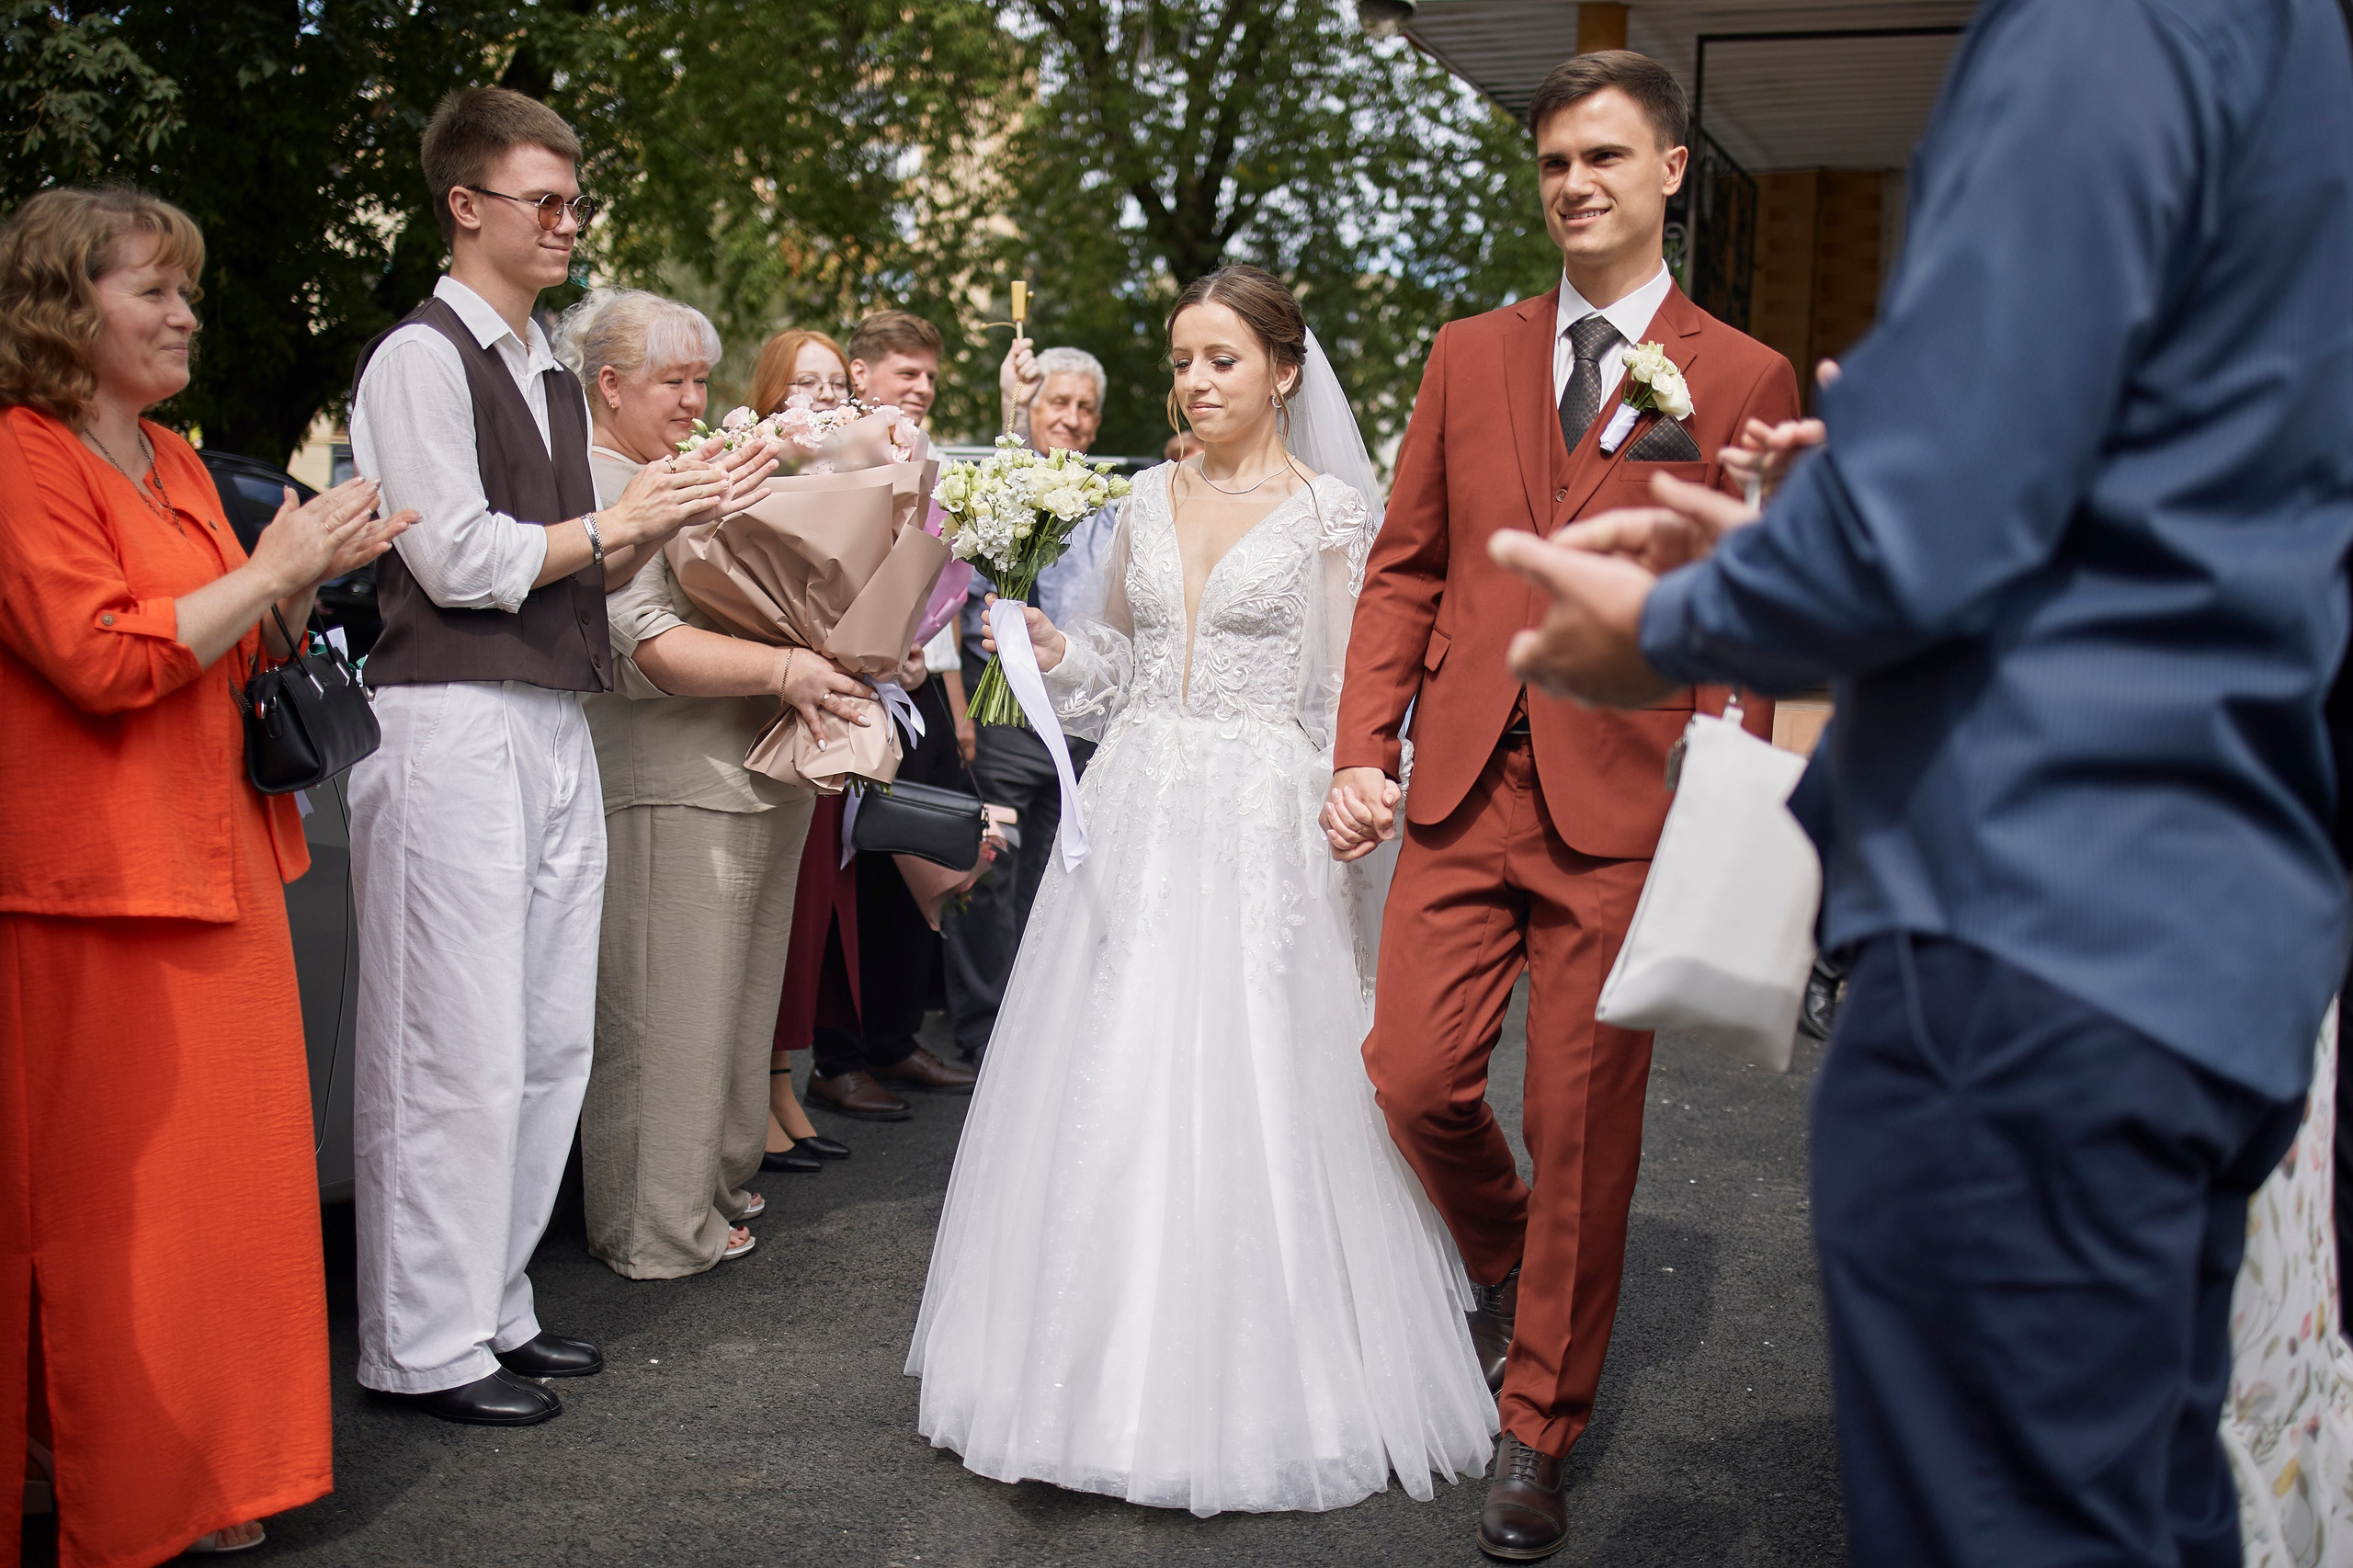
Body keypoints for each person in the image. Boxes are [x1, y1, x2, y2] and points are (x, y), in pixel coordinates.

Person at [1486, 3, 2353, 1562]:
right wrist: (1796, 538)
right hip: (2210, 914)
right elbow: (2138, 463)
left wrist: (1688, 620)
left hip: (2033, 920)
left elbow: (1958, 483)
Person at [907, 265, 1497, 1513]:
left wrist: (1360, 785)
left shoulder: (1335, 516)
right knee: (1109, 1071)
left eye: (1221, 359)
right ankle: (1081, 1372)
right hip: (1135, 803)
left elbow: (1354, 692)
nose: (1196, 381)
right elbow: (1120, 657)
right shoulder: (1141, 500)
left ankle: (1268, 1381)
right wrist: (1058, 649)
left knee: (1258, 1080)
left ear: (1284, 370)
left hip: (1259, 817)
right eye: (1183, 359)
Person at [1318, 51, 1794, 1561]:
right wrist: (1362, 742)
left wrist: (1725, 776)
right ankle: (1521, 1258)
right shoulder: (1467, 352)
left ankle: (1540, 1422)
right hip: (1460, 783)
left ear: (1669, 173)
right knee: (1407, 1074)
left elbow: (1746, 604)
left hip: (1626, 798)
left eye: (1604, 157)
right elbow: (1406, 561)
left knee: (1582, 1123)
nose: (1574, 183)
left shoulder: (1741, 375)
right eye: (1552, 164)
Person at [0, 187, 408, 1562]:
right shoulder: (21, 454)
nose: (184, 313)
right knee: (123, 1223)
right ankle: (123, 1489)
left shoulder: (173, 455)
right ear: (65, 306)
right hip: (97, 884)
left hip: (219, 854)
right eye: (150, 289)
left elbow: (220, 644)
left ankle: (223, 1471)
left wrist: (302, 578)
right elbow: (101, 655)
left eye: (186, 289)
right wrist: (272, 561)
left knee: (231, 1208)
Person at [347, 86, 763, 1426]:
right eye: (545, 199)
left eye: (573, 200)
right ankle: (419, 1340)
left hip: (550, 713)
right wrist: (623, 518)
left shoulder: (539, 364)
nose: (567, 221)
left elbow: (584, 563)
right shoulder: (421, 358)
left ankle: (495, 1303)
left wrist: (680, 509)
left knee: (542, 1036)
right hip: (450, 712)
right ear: (465, 206)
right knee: (448, 1040)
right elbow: (458, 560)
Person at [562, 289, 855, 1277]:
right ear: (608, 385)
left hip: (740, 764)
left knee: (730, 1005)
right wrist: (787, 669)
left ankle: (716, 1188)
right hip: (664, 771)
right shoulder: (594, 483)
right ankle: (657, 1225)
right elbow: (644, 646)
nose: (695, 399)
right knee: (667, 1017)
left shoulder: (673, 470)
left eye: (699, 379)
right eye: (672, 381)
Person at [789, 309, 979, 1121]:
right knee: (852, 879)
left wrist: (919, 654)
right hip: (846, 689)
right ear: (862, 376)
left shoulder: (925, 454)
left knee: (917, 855)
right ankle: (839, 1057)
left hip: (915, 683)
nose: (923, 388)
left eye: (931, 375)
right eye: (908, 373)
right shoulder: (827, 453)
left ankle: (898, 1037)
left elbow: (932, 574)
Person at [938, 338, 1121, 1063]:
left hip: (1078, 720)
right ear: (1032, 410)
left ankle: (1041, 1024)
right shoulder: (1001, 491)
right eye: (1059, 403)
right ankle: (987, 1031)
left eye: (1085, 408)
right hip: (1004, 714)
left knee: (1058, 871)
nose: (1072, 419)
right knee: (993, 869)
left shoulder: (1105, 507)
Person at [747, 326, 859, 1171]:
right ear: (770, 392)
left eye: (833, 383)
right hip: (759, 710)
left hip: (828, 708)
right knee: (765, 919)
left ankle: (782, 1079)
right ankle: (757, 1086)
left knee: (808, 910)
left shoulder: (854, 478)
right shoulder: (748, 471)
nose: (821, 397)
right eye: (804, 382)